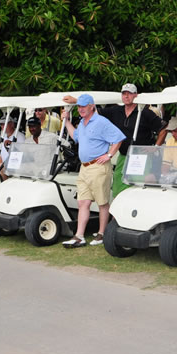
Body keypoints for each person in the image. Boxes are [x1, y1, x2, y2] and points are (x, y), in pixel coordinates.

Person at [60, 93, 125, 248]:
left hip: (98, 167)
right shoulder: (82, 123)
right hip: (84, 167)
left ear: (91, 106)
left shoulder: (101, 122)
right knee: (83, 201)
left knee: (102, 202)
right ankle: (79, 236)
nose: (81, 109)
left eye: (83, 106)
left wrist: (109, 155)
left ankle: (102, 233)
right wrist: (66, 121)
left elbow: (119, 138)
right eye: (79, 107)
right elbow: (75, 136)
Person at [100, 83, 165, 197]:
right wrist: (77, 101)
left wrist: (155, 147)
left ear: (136, 95)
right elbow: (95, 113)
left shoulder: (145, 112)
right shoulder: (116, 110)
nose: (126, 96)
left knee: (138, 186)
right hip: (123, 154)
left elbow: (163, 129)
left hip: (141, 156)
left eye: (129, 93)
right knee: (118, 184)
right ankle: (117, 212)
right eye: (124, 93)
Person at [0, 115, 24, 180]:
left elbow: (21, 156)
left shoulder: (20, 137)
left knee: (0, 168)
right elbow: (0, 155)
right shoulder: (3, 135)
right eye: (1, 125)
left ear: (12, 124)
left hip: (14, 165)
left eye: (5, 124)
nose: (3, 126)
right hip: (4, 165)